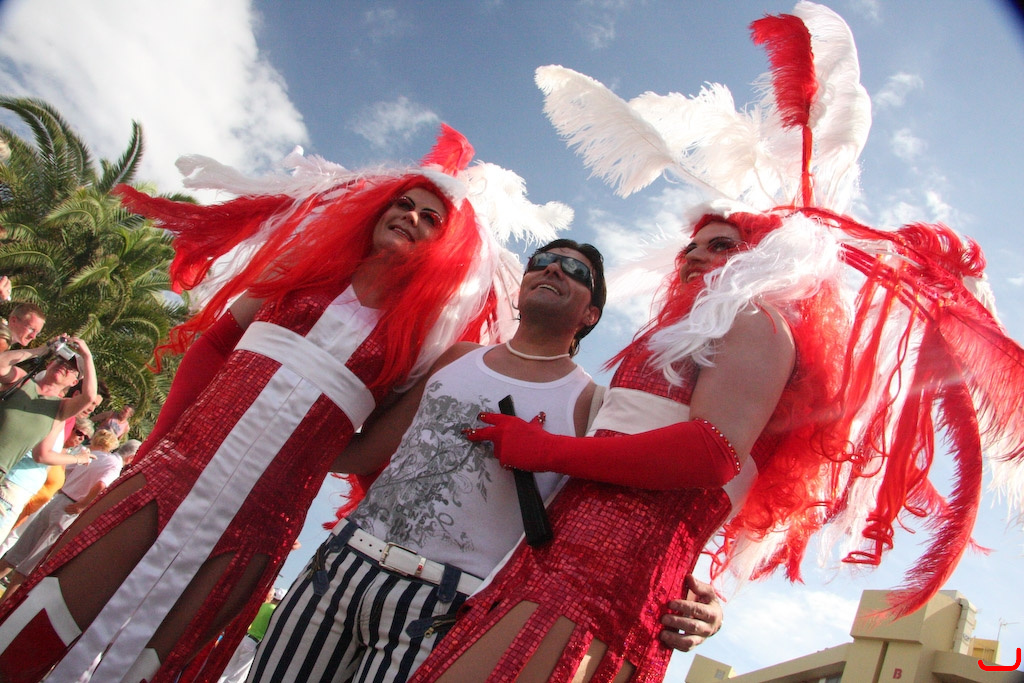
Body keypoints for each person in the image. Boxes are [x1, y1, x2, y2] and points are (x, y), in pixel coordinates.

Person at [409, 5, 1024, 681]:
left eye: (722, 245)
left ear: (765, 260)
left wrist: (546, 449)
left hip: (598, 581)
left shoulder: (755, 319)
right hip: (557, 564)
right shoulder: (688, 335)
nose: (697, 256)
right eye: (692, 247)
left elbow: (711, 453)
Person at [0, 125, 569, 682]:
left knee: (159, 661)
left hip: (262, 519)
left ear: (445, 248)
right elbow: (214, 345)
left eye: (430, 218)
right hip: (172, 472)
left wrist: (304, 457)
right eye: (403, 204)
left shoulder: (424, 343)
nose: (411, 217)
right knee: (45, 615)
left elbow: (371, 449)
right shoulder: (301, 272)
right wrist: (161, 444)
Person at [249, 239, 720, 683]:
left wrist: (698, 599)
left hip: (448, 606)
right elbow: (371, 450)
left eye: (575, 271)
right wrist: (259, 426)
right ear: (522, 287)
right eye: (542, 262)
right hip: (340, 565)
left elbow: (627, 515)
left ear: (590, 314)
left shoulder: (594, 405)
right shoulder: (456, 357)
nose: (553, 270)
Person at [0, 429, 123, 600]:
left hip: (58, 499)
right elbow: (102, 485)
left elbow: (64, 469)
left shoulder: (86, 455)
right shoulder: (111, 463)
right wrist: (83, 505)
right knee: (30, 564)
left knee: (18, 552)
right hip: (69, 508)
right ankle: (5, 606)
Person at [0, 337, 99, 480]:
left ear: (74, 382)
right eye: (60, 361)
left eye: (71, 369)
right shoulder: (22, 381)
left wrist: (87, 356)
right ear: (50, 364)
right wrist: (42, 349)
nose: (64, 367)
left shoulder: (61, 408)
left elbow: (89, 397)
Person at [0, 415, 96, 545]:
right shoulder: (51, 450)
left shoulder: (65, 456)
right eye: (79, 433)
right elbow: (39, 458)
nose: (81, 438)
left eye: (86, 437)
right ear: (70, 428)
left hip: (27, 508)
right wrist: (78, 459)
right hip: (15, 497)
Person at [216, 587, 285, 683]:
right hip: (254, 643)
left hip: (245, 638)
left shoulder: (263, 606)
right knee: (237, 677)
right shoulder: (275, 612)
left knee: (227, 670)